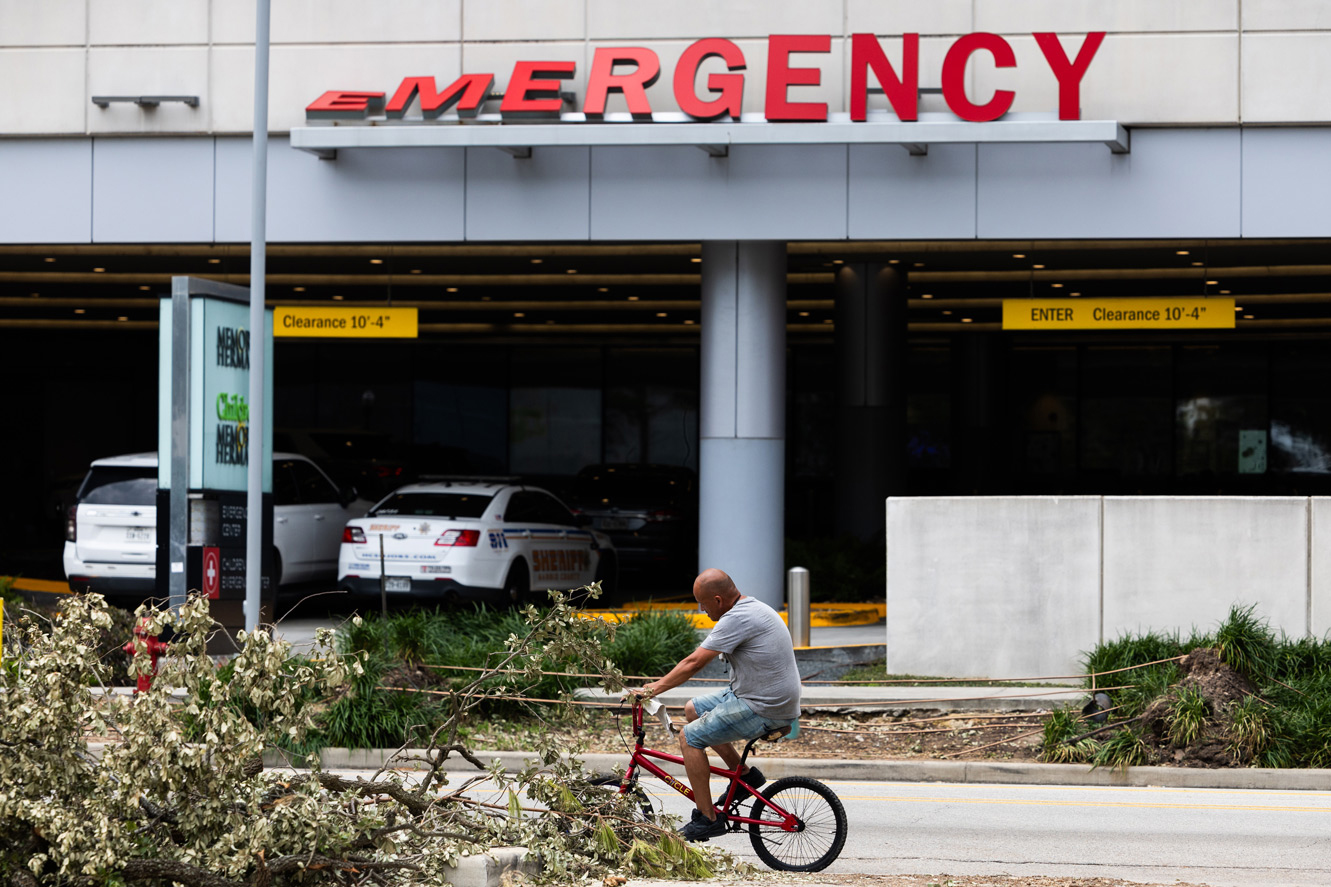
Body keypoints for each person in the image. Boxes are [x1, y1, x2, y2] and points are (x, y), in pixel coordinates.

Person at [635, 568, 801, 841]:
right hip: (757, 695)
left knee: (689, 738)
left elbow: (693, 663)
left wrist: (651, 689)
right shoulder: (749, 606)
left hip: (764, 705)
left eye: (703, 603)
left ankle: (708, 818)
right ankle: (745, 777)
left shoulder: (736, 618)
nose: (701, 610)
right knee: (693, 710)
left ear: (718, 600)